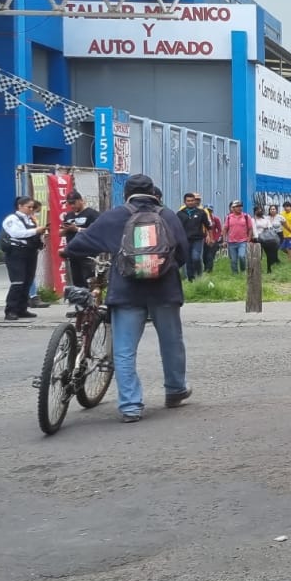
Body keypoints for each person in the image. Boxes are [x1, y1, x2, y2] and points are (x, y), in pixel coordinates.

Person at [59, 174, 191, 423]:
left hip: (127, 291)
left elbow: (84, 242)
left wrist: (67, 250)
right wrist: (162, 268)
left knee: (124, 350)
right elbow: (182, 253)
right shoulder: (168, 215)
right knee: (172, 342)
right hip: (164, 290)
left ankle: (131, 406)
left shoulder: (116, 215)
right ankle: (175, 391)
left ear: (126, 193)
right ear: (153, 191)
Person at [0, 196, 46, 320]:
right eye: (29, 207)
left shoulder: (31, 219)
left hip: (30, 252)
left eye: (33, 207)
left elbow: (34, 234)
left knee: (27, 281)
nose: (31, 209)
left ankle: (22, 309)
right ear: (20, 206)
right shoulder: (12, 219)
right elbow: (17, 233)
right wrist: (36, 231)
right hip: (16, 253)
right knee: (18, 282)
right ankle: (10, 310)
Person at [59, 190, 101, 288]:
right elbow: (60, 233)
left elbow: (96, 231)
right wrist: (66, 229)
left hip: (87, 252)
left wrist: (77, 229)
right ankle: (80, 300)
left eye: (74, 203)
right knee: (77, 280)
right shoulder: (69, 215)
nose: (72, 206)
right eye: (70, 203)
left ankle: (92, 300)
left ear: (81, 201)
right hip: (73, 252)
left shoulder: (92, 214)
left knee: (90, 280)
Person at [176, 192, 210, 281]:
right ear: (185, 202)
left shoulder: (201, 212)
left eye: (192, 200)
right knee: (188, 259)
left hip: (197, 239)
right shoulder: (180, 214)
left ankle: (199, 274)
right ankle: (191, 279)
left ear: (195, 201)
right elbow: (176, 227)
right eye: (188, 201)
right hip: (185, 240)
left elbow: (207, 225)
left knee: (196, 257)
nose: (190, 202)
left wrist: (210, 237)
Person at [221, 200, 254, 272]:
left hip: (243, 241)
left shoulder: (246, 216)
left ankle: (243, 270)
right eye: (237, 206)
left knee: (242, 256)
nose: (239, 208)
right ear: (233, 208)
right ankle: (235, 274)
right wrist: (224, 241)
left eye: (240, 206)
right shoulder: (229, 217)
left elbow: (250, 229)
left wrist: (248, 239)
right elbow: (225, 229)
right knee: (233, 260)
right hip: (231, 242)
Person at [256, 204, 283, 273]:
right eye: (258, 211)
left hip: (266, 239)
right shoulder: (253, 220)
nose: (259, 212)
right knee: (259, 255)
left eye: (260, 211)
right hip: (256, 239)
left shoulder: (266, 220)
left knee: (269, 254)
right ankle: (258, 269)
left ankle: (269, 268)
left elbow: (270, 227)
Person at [201, 198, 222, 274]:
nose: (208, 212)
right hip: (203, 240)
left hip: (213, 241)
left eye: (210, 211)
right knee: (204, 256)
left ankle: (209, 271)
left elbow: (219, 230)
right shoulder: (202, 218)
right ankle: (205, 268)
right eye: (207, 210)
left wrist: (215, 239)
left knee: (210, 256)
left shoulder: (215, 219)